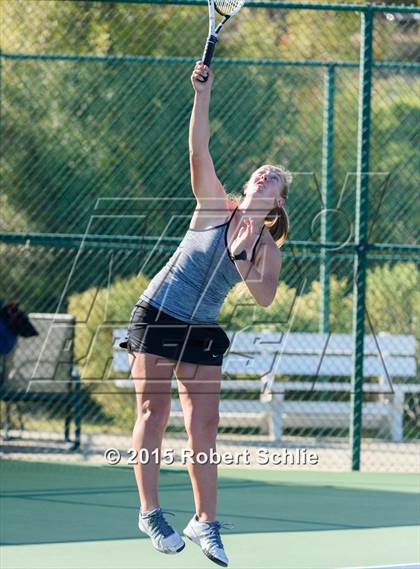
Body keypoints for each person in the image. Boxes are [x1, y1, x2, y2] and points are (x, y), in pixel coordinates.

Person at [118, 61, 291, 567]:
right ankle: (150, 512)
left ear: (278, 202)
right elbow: (199, 149)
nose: (266, 173)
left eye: (275, 178)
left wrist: (244, 256)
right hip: (158, 313)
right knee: (153, 413)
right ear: (249, 183)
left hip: (202, 329)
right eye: (263, 170)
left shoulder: (266, 247)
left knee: (205, 426)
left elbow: (263, 297)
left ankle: (205, 523)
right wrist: (203, 93)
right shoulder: (215, 206)